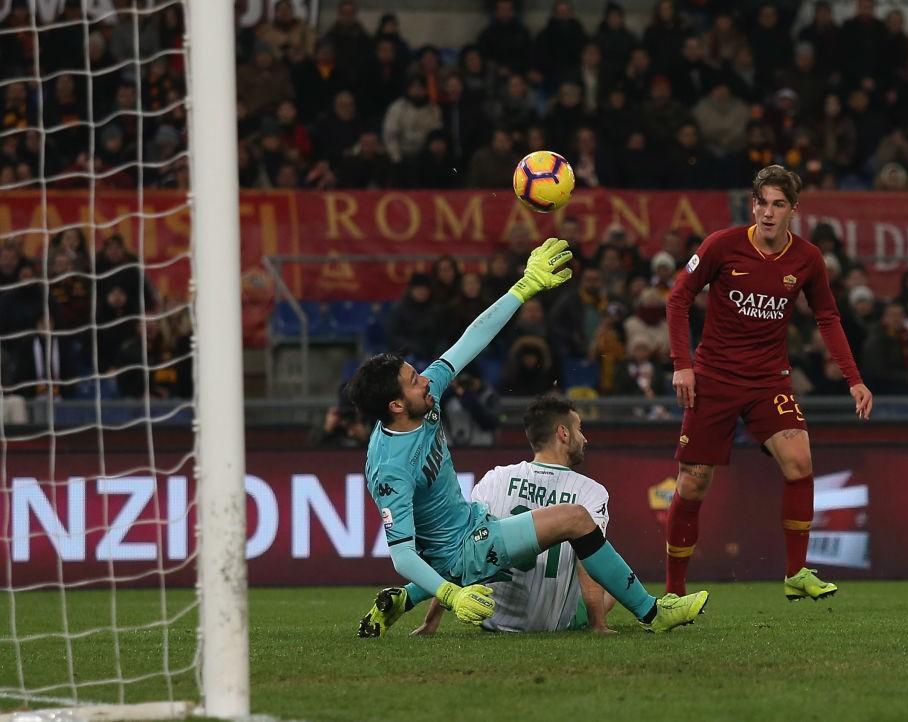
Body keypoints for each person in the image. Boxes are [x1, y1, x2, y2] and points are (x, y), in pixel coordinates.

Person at [350, 239, 709, 637]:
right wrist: (452, 596)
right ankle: (654, 614)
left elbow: (472, 338)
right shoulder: (389, 468)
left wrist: (522, 288)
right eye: (413, 381)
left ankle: (401, 600)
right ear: (396, 406)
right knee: (575, 518)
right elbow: (401, 553)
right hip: (464, 550)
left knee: (544, 530)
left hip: (469, 526)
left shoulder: (424, 396)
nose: (426, 380)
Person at [664, 165, 873, 601]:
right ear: (752, 204)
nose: (769, 212)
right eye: (763, 203)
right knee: (693, 482)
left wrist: (854, 379)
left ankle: (796, 572)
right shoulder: (722, 246)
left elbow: (828, 317)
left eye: (779, 204)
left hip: (768, 378)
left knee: (799, 460)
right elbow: (679, 296)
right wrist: (682, 364)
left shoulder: (808, 258)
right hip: (714, 377)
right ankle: (673, 592)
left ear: (794, 210)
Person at [409, 394, 617, 635]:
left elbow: (464, 553)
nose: (584, 438)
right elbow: (589, 564)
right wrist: (598, 626)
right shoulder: (590, 491)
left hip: (492, 620)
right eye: (579, 429)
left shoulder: (494, 479)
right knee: (611, 580)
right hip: (552, 623)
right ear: (563, 433)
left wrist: (431, 622)